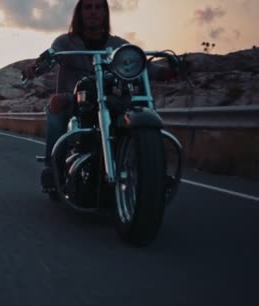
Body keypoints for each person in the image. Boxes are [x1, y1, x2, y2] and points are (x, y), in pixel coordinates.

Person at [22, 0, 182, 189]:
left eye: (98, 7)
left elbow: (145, 66)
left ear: (105, 13)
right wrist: (35, 67)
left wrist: (170, 71)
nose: (93, 12)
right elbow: (50, 56)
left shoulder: (118, 45)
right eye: (88, 7)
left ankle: (153, 169)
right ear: (79, 13)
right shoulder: (65, 42)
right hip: (76, 99)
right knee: (55, 105)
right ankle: (54, 168)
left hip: (112, 100)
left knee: (141, 111)